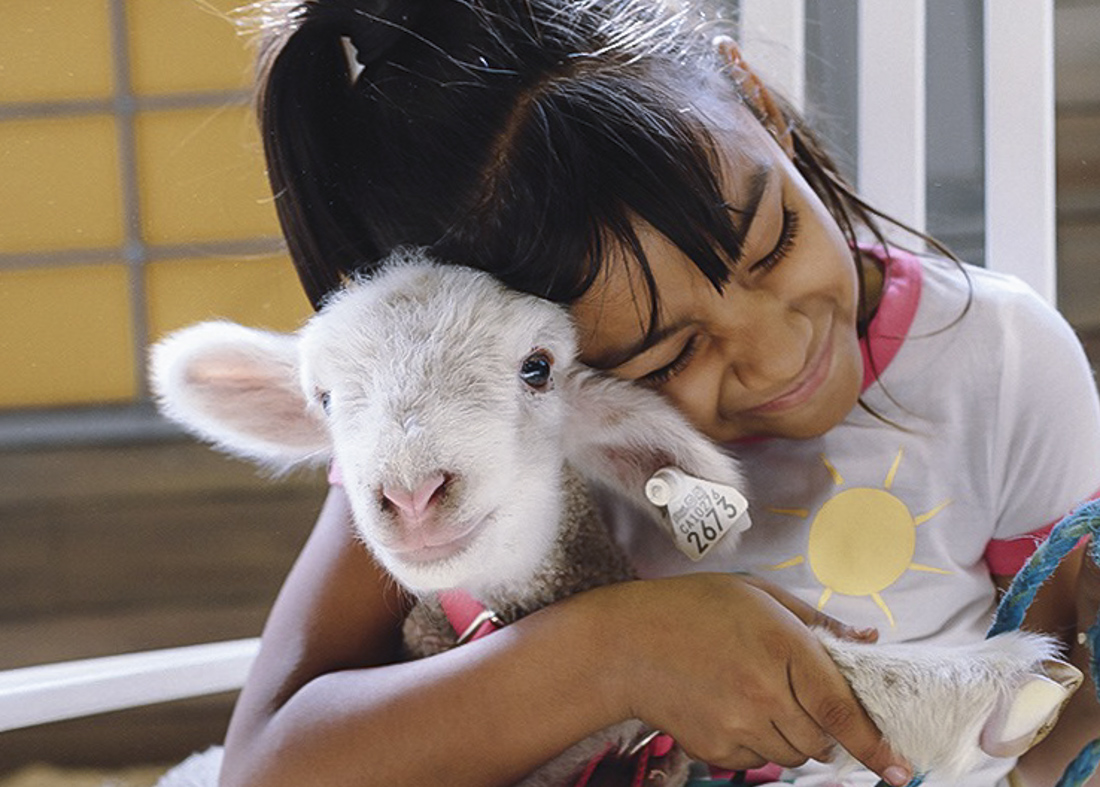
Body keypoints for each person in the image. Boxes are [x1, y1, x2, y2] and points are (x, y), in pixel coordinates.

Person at [220, 1, 1100, 785]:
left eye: (775, 238)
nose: (776, 349)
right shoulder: (491, 422)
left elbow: (1061, 704)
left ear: (757, 103)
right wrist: (615, 653)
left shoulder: (997, 358)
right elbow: (269, 769)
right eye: (668, 352)